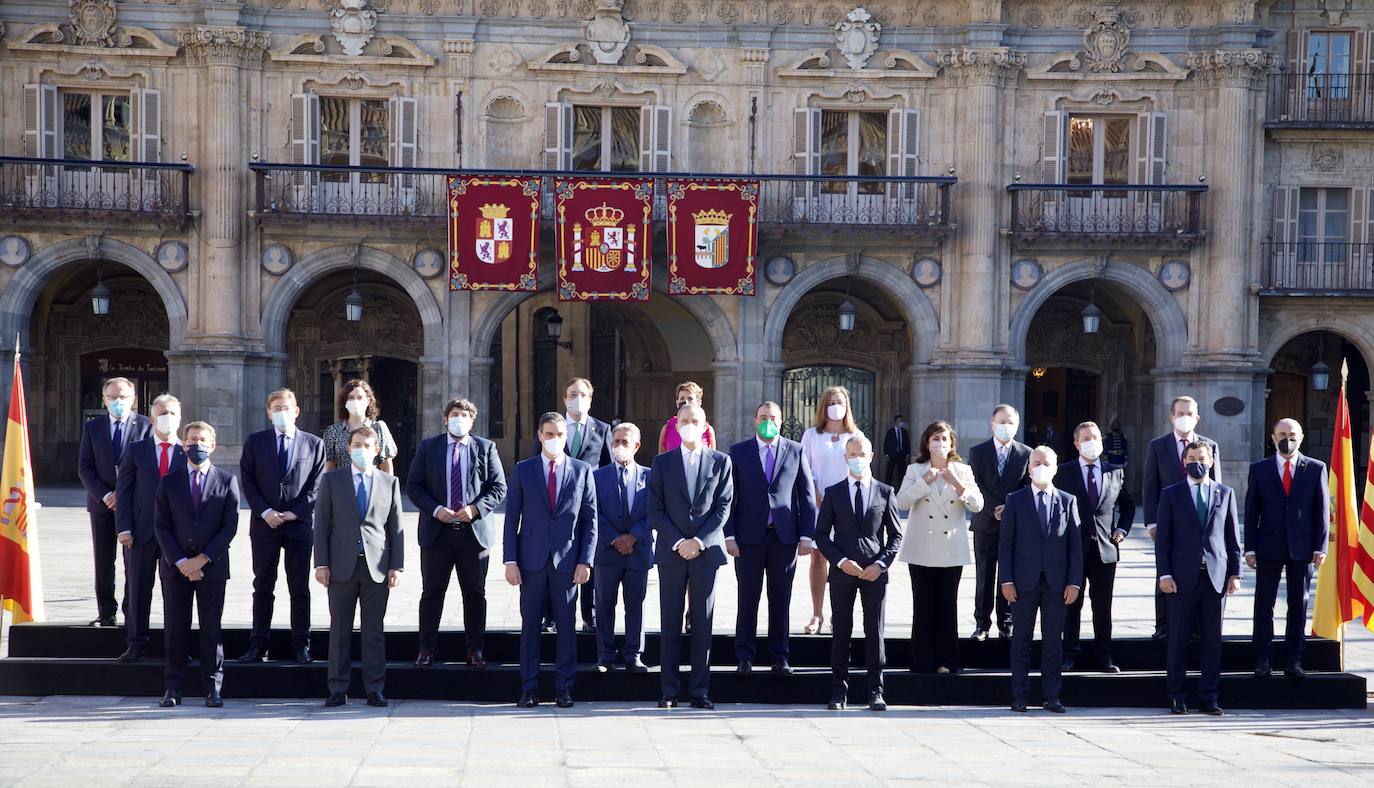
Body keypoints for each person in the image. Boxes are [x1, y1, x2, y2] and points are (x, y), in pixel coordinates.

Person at [504, 413, 597, 708]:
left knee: (567, 628)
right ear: (539, 435)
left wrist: (586, 560)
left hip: (567, 562)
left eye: (559, 434)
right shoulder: (524, 469)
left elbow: (590, 519)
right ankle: (529, 688)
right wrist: (510, 560)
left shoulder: (582, 470)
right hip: (531, 561)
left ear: (566, 436)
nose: (554, 438)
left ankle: (564, 688)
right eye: (549, 433)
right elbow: (511, 518)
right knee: (530, 627)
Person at [407, 398, 507, 668]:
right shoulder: (429, 448)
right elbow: (414, 486)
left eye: (464, 415)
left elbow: (499, 487)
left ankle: (475, 650)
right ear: (445, 418)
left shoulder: (486, 448)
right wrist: (435, 509)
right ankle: (426, 649)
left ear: (472, 420)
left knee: (475, 593)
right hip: (437, 533)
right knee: (432, 592)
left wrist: (476, 509)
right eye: (454, 414)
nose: (458, 419)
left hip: (473, 535)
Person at [649, 402, 733, 709]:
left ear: (704, 425)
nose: (688, 424)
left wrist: (698, 541)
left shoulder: (721, 462)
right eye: (683, 420)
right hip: (672, 554)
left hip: (705, 553)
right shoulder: (662, 462)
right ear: (676, 425)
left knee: (702, 623)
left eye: (694, 420)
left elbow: (723, 508)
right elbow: (654, 510)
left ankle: (699, 691)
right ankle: (668, 691)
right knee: (670, 623)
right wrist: (678, 542)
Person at [726, 401, 817, 675]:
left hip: (784, 537)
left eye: (773, 418)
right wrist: (729, 534)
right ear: (755, 421)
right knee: (748, 597)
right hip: (748, 538)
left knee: (780, 598)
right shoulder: (738, 452)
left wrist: (806, 536)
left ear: (781, 421)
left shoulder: (795, 450)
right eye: (763, 417)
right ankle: (745, 655)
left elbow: (807, 494)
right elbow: (729, 497)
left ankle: (780, 656)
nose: (768, 421)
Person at [315, 426, 404, 708]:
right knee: (339, 630)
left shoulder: (389, 483)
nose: (361, 449)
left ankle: (374, 688)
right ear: (348, 447)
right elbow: (321, 525)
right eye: (356, 444)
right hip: (341, 565)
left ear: (376, 450)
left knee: (373, 631)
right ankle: (338, 688)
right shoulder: (332, 480)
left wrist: (396, 566)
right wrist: (321, 563)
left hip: (376, 566)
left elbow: (396, 527)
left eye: (367, 445)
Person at [154, 421, 240, 708]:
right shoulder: (169, 481)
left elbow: (229, 527)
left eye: (203, 440)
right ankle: (173, 687)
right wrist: (181, 561)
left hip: (211, 568)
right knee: (175, 628)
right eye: (191, 440)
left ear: (213, 445)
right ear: (183, 444)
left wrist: (201, 560)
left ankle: (212, 687)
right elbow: (162, 526)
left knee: (211, 629)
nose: (196, 445)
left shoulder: (227, 481)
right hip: (175, 569)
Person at [238, 389, 326, 664]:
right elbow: (247, 480)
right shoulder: (255, 442)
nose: (281, 412)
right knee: (263, 585)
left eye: (286, 407)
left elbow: (317, 484)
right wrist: (265, 511)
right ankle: (258, 643)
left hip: (298, 526)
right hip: (265, 524)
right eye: (276, 408)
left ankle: (301, 643)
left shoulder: (314, 444)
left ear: (296, 411)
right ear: (268, 412)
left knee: (299, 587)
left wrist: (294, 513)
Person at [816, 435, 902, 711]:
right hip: (843, 573)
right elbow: (821, 535)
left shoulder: (885, 492)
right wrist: (840, 562)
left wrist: (881, 564)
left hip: (874, 573)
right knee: (842, 631)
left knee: (874, 631)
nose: (857, 459)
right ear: (845, 458)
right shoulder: (834, 492)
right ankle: (838, 691)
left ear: (871, 456)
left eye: (862, 454)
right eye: (852, 454)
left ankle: (875, 690)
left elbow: (895, 536)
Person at [1157, 441, 1241, 716]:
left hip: (1215, 577)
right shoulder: (1171, 494)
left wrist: (1235, 573)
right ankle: (1176, 695)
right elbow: (1164, 540)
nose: (1197, 462)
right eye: (1192, 457)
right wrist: (1165, 574)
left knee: (1212, 639)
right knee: (1178, 637)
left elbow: (1231, 536)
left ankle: (1209, 696)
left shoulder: (1224, 492)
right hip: (1181, 578)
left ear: (1211, 459)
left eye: (1202, 458)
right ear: (1184, 462)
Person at [999, 446, 1082, 714]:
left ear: (1056, 468)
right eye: (1036, 462)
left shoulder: (1068, 501)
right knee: (1021, 640)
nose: (1041, 467)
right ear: (1029, 467)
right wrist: (1006, 580)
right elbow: (1006, 545)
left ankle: (1051, 695)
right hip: (1023, 583)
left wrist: (1074, 582)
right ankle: (1020, 695)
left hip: (1057, 584)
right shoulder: (1016, 499)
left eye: (1046, 463)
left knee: (1052, 642)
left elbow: (1075, 547)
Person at [894, 421, 982, 675]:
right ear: (926, 442)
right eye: (935, 438)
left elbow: (977, 505)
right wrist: (924, 481)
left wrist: (957, 483)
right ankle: (921, 661)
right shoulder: (915, 469)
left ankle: (947, 661)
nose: (939, 443)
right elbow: (900, 501)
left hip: (950, 550)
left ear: (952, 443)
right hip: (921, 548)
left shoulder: (962, 471)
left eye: (944, 439)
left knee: (947, 606)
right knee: (923, 606)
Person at [1244, 418, 1329, 679]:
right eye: (1282, 434)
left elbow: (1322, 510)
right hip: (1268, 544)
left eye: (1292, 434)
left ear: (1301, 438)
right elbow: (1251, 510)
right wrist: (1249, 547)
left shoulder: (1315, 468)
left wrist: (1321, 546)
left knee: (1298, 604)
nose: (1287, 439)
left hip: (1302, 547)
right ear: (1273, 437)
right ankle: (1262, 657)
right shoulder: (1259, 469)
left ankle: (1294, 658)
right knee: (1264, 604)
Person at [1055, 421, 1135, 673]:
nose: (1092, 442)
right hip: (1073, 549)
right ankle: (1069, 653)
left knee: (1102, 605)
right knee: (1071, 604)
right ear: (1077, 444)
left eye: (1096, 437)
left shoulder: (1114, 471)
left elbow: (1128, 504)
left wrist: (1121, 529)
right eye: (1086, 438)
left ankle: (1104, 654)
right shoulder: (1063, 472)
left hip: (1105, 549)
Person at [533, 378, 611, 633]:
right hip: (555, 509)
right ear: (565, 398)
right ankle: (551, 616)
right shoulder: (551, 427)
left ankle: (590, 615)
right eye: (572, 394)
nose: (578, 399)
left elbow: (608, 467)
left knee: (588, 561)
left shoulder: (602, 429)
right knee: (552, 562)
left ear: (591, 399)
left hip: (588, 508)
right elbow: (537, 465)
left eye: (583, 395)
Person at [1142, 396, 1220, 640]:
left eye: (1189, 413)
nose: (1184, 417)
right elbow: (1150, 485)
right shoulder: (1158, 446)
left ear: (1197, 417)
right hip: (1168, 519)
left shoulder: (1210, 446)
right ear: (1171, 416)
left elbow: (1217, 487)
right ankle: (1163, 623)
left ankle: (1196, 624)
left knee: (1198, 572)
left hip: (1199, 518)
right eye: (1180, 412)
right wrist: (1152, 522)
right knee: (1164, 570)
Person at [113, 394, 183, 662]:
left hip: (176, 536)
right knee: (138, 590)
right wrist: (124, 528)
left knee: (175, 593)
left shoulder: (186, 451)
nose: (167, 418)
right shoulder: (136, 449)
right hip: (140, 533)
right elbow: (125, 491)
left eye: (172, 413)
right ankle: (136, 642)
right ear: (152, 418)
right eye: (162, 413)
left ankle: (176, 646)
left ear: (179, 417)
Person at [78, 376, 152, 627]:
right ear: (104, 400)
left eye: (122, 397)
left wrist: (125, 494)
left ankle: (131, 611)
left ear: (133, 399)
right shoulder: (93, 427)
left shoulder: (145, 425)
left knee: (133, 561)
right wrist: (106, 494)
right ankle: (106, 612)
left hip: (133, 506)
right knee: (103, 560)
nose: (117, 401)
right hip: (101, 505)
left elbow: (148, 467)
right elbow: (85, 467)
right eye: (112, 397)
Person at [799, 385, 863, 635]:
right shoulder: (812, 435)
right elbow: (805, 467)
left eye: (841, 402)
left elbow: (860, 467)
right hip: (818, 503)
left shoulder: (854, 435)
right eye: (831, 402)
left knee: (843, 559)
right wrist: (814, 493)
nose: (836, 406)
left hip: (845, 504)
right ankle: (817, 613)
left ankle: (841, 614)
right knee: (818, 557)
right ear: (823, 406)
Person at [592, 422, 654, 673]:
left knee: (635, 604)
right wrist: (615, 538)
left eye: (625, 442)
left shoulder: (651, 476)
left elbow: (656, 511)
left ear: (636, 446)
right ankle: (605, 655)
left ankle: (633, 653)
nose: (619, 446)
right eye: (615, 442)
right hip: (608, 551)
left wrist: (634, 537)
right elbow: (593, 511)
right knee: (604, 604)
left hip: (638, 551)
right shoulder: (597, 476)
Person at [967, 404, 1031, 640]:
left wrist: (1010, 507)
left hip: (1013, 525)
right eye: (1001, 422)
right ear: (992, 424)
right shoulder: (978, 452)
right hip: (985, 522)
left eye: (1010, 423)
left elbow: (1028, 487)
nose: (1006, 427)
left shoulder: (1026, 453)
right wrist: (995, 507)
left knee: (1008, 574)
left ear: (1017, 426)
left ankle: (1006, 623)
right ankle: (982, 623)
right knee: (984, 574)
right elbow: (975, 484)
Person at [321, 379, 399, 474]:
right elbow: (330, 466)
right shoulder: (333, 431)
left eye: (360, 397)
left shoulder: (378, 428)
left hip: (372, 485)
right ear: (345, 401)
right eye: (351, 397)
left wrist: (388, 486)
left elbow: (386, 464)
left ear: (368, 400)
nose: (355, 401)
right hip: (342, 485)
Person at [657, 381, 716, 453]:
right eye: (682, 398)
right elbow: (661, 458)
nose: (685, 402)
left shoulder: (708, 429)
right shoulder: (667, 428)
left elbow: (712, 457)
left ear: (699, 402)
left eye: (690, 398)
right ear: (677, 402)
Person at [883, 415, 910, 488]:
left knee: (901, 473)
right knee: (889, 472)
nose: (901, 422)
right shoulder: (890, 432)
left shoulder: (904, 432)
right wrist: (886, 454)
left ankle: (900, 488)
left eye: (902, 421)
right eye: (899, 421)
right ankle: (887, 488)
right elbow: (886, 443)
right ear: (895, 421)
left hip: (901, 455)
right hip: (892, 455)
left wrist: (907, 454)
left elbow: (907, 443)